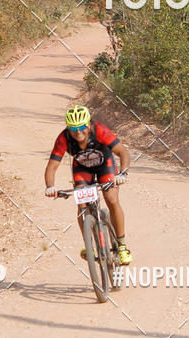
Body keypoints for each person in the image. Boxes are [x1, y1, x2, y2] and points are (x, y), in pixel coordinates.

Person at [44, 104, 132, 264]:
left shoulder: (99, 130)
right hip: (82, 169)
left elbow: (122, 152)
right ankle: (89, 246)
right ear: (68, 128)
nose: (78, 132)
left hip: (105, 164)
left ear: (89, 124)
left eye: (83, 126)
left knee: (111, 199)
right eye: (73, 128)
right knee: (81, 205)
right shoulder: (63, 138)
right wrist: (50, 186)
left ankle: (122, 246)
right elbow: (52, 166)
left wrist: (123, 173)